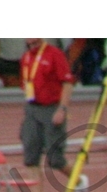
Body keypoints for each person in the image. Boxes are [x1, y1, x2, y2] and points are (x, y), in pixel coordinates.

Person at [19, 38, 74, 173]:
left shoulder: (55, 54)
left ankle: (79, 181)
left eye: (35, 43)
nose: (32, 46)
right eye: (29, 44)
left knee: (55, 159)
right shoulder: (26, 57)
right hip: (32, 108)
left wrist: (62, 109)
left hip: (52, 108)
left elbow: (67, 83)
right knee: (30, 157)